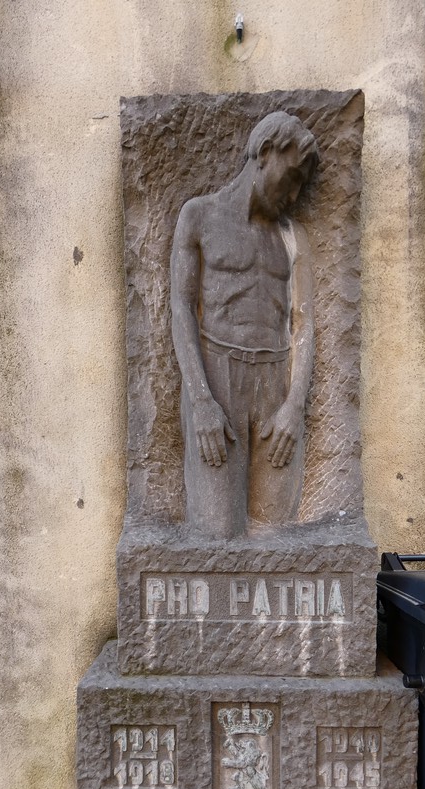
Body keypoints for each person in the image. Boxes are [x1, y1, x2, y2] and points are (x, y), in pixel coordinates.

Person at [170, 111, 319, 539]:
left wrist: (294, 406)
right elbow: (181, 306)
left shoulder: (294, 237)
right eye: (291, 179)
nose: (293, 196)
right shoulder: (198, 217)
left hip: (276, 387)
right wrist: (200, 402)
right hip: (217, 377)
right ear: (265, 152)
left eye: (301, 188)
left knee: (274, 530)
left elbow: (302, 323)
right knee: (216, 532)